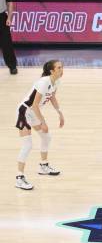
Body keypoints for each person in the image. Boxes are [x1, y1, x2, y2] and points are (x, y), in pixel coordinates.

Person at [14, 60, 64, 190]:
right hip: (24, 112)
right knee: (28, 144)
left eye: (62, 67)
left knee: (46, 137)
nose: (61, 69)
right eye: (59, 68)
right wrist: (43, 122)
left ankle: (43, 166)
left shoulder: (56, 81)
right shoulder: (43, 82)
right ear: (51, 71)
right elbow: (35, 104)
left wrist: (60, 113)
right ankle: (19, 178)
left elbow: (52, 97)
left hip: (33, 112)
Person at [0, 0, 17, 75]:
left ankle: (12, 66)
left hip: (2, 17)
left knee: (6, 43)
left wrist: (9, 17)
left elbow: (10, 4)